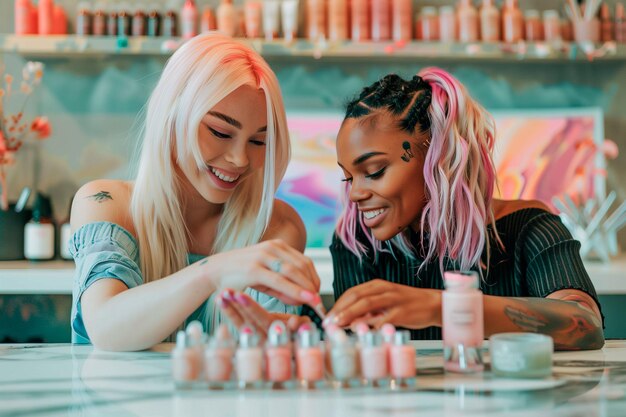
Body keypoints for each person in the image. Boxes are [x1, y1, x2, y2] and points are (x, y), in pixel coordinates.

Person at [322, 68, 604, 350]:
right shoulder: (355, 243)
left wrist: (444, 308)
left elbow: (585, 327)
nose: (355, 193)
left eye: (375, 171)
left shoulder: (530, 229)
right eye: (348, 177)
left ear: (438, 156)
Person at [69, 33, 320, 352]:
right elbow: (106, 327)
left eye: (258, 141)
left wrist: (277, 338)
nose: (240, 159)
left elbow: (260, 360)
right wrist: (215, 272)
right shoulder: (104, 204)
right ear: (171, 118)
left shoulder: (278, 226)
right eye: (220, 132)